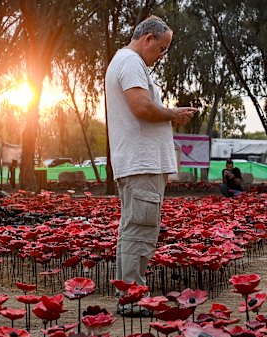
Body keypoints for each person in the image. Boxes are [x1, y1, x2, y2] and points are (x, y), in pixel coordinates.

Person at [105, 16, 197, 314]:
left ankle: (128, 293)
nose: (162, 55)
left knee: (137, 227)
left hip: (142, 164)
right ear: (147, 38)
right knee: (139, 229)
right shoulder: (131, 62)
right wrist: (173, 113)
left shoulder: (128, 62)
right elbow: (142, 107)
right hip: (140, 163)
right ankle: (131, 298)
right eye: (162, 48)